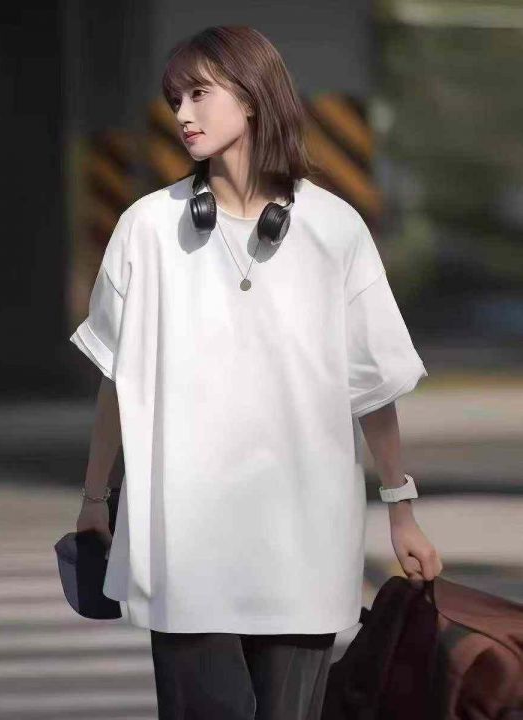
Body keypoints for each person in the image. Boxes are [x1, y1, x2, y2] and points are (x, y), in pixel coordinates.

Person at [71, 25, 443, 720]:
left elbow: (372, 386)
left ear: (251, 97)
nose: (182, 114)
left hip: (303, 545)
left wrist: (403, 510)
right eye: (175, 99)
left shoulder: (334, 229)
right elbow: (116, 379)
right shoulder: (147, 229)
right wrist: (96, 498)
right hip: (184, 547)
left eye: (199, 94)